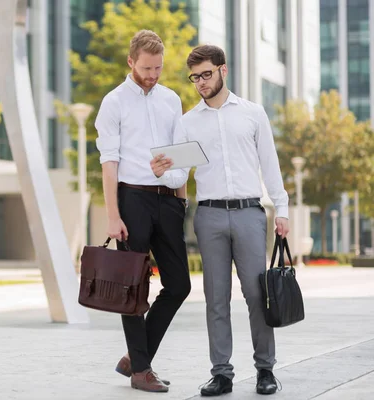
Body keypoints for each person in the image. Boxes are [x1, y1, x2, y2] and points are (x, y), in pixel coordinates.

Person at [151, 44, 290, 396]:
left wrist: (282, 210)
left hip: (249, 213)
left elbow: (270, 165)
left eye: (206, 74)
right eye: (194, 77)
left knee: (258, 295)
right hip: (209, 215)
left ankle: (265, 371)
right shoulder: (188, 121)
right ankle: (222, 373)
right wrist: (161, 171)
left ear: (223, 70)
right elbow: (178, 175)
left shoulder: (253, 113)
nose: (200, 82)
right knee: (215, 298)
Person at [95, 29, 191, 393]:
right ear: (131, 62)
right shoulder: (114, 102)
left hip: (168, 200)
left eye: (159, 68)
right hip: (131, 199)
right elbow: (109, 162)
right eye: (147, 67)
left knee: (179, 285)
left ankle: (137, 357)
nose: (153, 74)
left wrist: (180, 198)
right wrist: (112, 215)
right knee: (133, 288)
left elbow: (181, 153)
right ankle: (140, 372)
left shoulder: (171, 99)